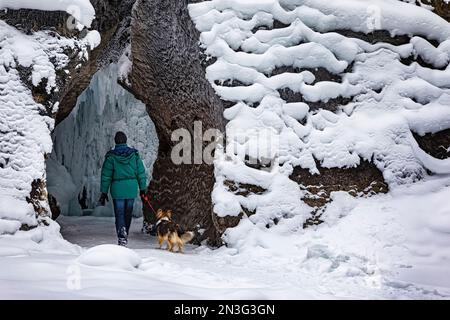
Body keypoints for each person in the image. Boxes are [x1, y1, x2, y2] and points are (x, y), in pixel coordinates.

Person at [99, 131, 147, 246]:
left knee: (119, 213)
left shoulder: (111, 157)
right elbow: (141, 173)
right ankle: (126, 232)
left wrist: (104, 192)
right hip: (131, 188)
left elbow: (106, 176)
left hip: (117, 189)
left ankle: (122, 235)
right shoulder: (134, 155)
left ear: (115, 141)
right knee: (128, 213)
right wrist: (142, 189)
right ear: (126, 141)